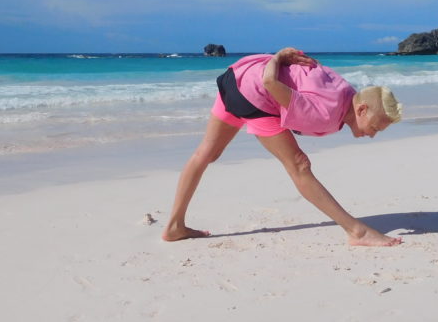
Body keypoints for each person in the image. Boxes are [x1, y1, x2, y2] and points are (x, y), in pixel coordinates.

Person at [163, 47, 404, 247]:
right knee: (299, 164)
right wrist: (278, 58)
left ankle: (174, 226)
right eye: (375, 127)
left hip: (237, 76)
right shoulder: (326, 112)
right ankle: (357, 232)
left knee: (206, 153)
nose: (372, 135)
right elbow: (270, 82)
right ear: (362, 110)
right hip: (255, 91)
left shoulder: (348, 93)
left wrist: (278, 60)